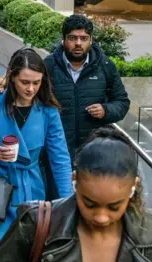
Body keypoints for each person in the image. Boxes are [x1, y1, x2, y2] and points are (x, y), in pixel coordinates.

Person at [0, 126, 152, 262]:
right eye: (89, 204)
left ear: (133, 187)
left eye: (114, 207)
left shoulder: (150, 237)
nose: (101, 217)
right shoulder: (36, 223)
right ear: (74, 180)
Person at [0, 48, 73, 261]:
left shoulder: (48, 111)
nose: (31, 88)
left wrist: (68, 202)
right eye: (25, 82)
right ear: (12, 77)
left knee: (28, 259)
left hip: (32, 194)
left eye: (36, 82)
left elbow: (60, 158)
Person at [44, 15, 130, 160]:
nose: (78, 43)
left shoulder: (105, 66)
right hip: (57, 151)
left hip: (94, 152)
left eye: (83, 38)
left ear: (90, 40)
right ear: (63, 40)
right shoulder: (48, 66)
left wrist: (105, 110)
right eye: (72, 38)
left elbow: (122, 102)